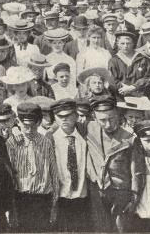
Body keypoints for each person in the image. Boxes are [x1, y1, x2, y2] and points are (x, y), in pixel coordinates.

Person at [79, 95, 141, 232]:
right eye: (103, 120)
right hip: (97, 191)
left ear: (118, 115)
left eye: (112, 119)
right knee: (101, 228)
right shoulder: (88, 128)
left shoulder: (130, 138)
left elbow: (135, 170)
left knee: (121, 229)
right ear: (94, 118)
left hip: (121, 193)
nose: (108, 124)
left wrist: (134, 197)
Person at [6, 102, 58, 232]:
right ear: (18, 122)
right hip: (21, 199)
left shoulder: (46, 142)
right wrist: (11, 207)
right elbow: (9, 176)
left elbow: (53, 172)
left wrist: (54, 203)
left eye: (33, 126)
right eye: (25, 126)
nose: (29, 130)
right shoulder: (12, 142)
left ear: (39, 122)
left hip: (43, 200)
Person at [50, 99, 90, 232]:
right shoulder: (50, 138)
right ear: (55, 118)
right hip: (61, 194)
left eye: (68, 115)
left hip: (83, 194)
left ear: (76, 116)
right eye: (60, 116)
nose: (64, 119)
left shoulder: (85, 135)